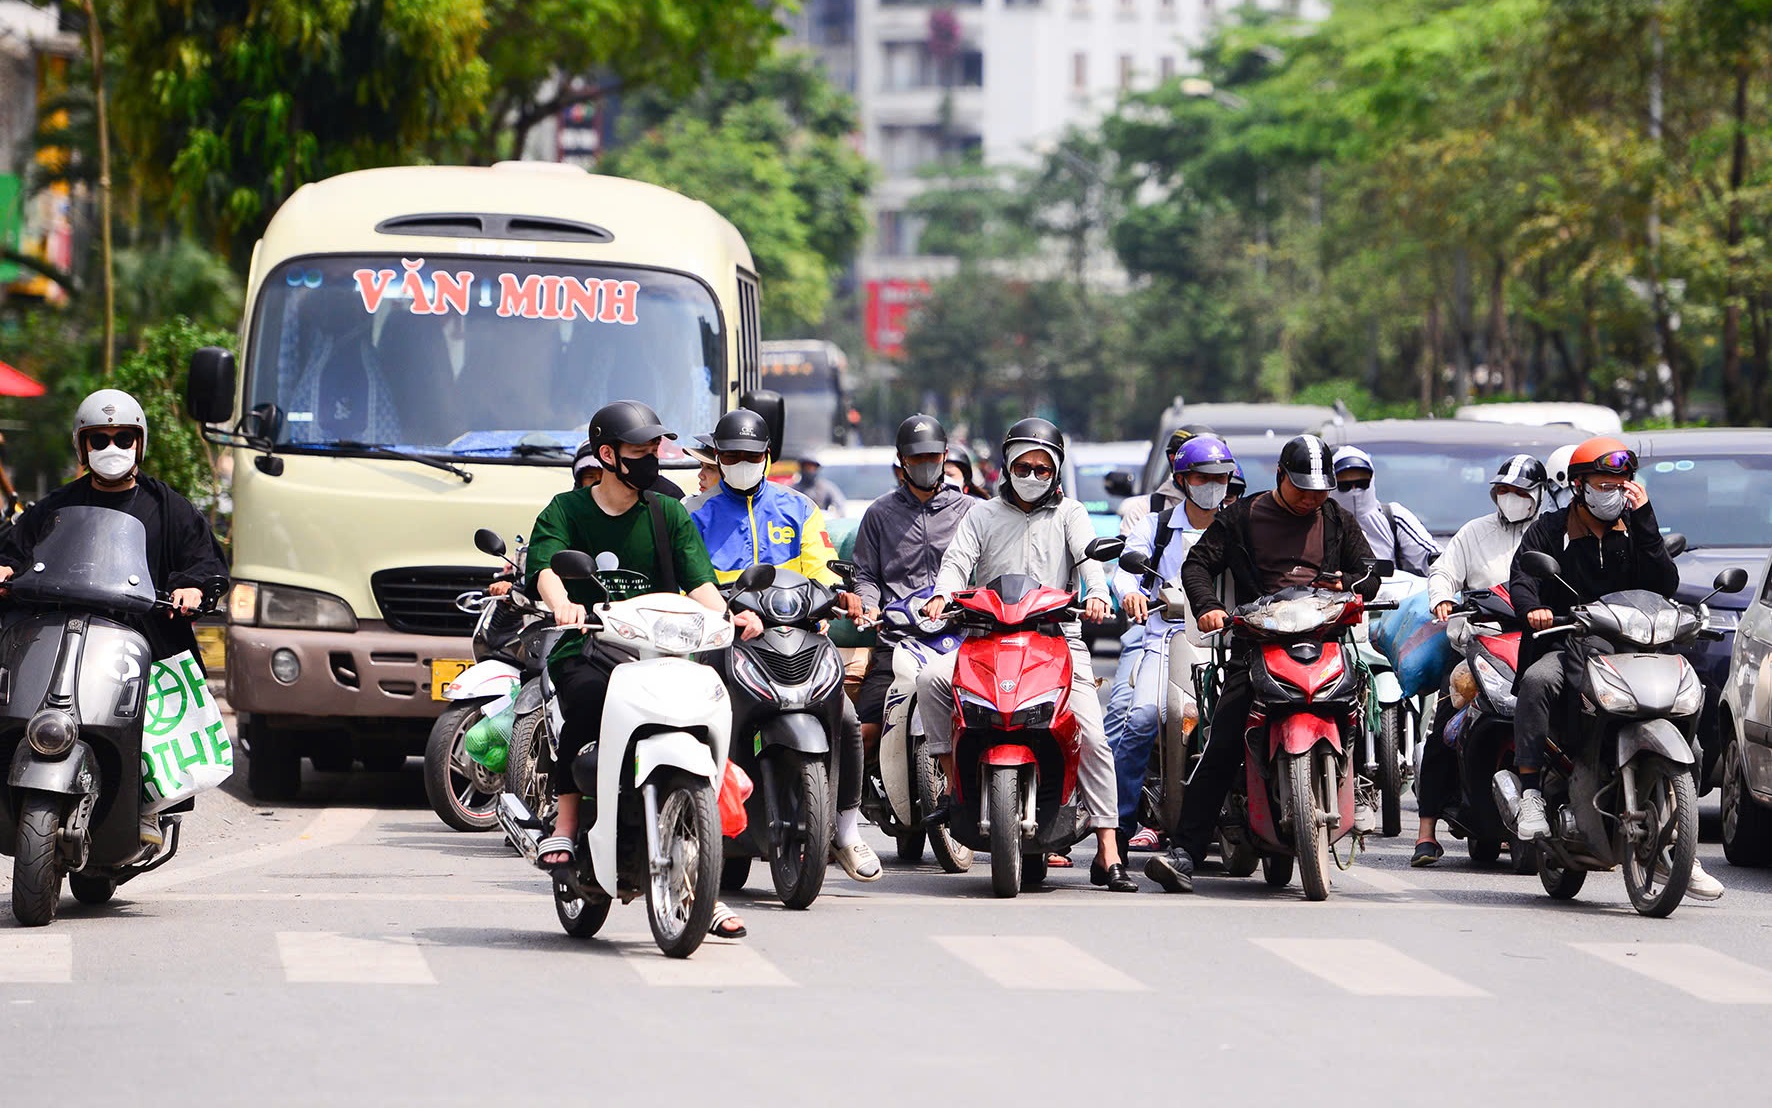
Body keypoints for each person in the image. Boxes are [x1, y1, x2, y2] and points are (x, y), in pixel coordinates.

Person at [526, 402, 764, 924]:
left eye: (655, 448)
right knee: (589, 700)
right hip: (589, 646)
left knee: (710, 707)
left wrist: (730, 616)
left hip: (661, 650)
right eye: (640, 450)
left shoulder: (668, 512)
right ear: (607, 454)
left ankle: (702, 879)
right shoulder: (566, 511)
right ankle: (566, 824)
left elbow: (700, 582)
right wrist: (562, 602)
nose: (652, 458)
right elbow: (545, 567)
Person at [1146, 434, 1380, 893]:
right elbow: (1196, 565)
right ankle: (1185, 853)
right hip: (1258, 648)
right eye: (1303, 489)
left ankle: (1368, 785)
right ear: (1279, 477)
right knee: (1224, 738)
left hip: (1325, 642)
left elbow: (1369, 570)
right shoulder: (1240, 516)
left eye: (1320, 490)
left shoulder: (1337, 518)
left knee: (1362, 709)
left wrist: (1348, 585)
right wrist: (1208, 605)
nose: (1313, 498)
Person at [916, 418, 1139, 893]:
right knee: (931, 680)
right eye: (1024, 465)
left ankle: (1107, 850)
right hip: (984, 637)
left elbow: (1089, 559)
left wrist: (1097, 594)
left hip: (1057, 639)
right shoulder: (981, 514)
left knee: (1093, 735)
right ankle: (954, 785)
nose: (1032, 475)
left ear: (1055, 472)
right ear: (1006, 465)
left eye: (1043, 468)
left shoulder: (1071, 514)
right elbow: (957, 560)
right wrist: (943, 594)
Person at [0, 390, 229, 845]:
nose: (111, 448)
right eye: (98, 439)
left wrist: (193, 587)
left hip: (141, 636)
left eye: (123, 437)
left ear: (139, 443)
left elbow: (206, 562)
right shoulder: (56, 507)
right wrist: (6, 566)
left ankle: (149, 800)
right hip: (63, 630)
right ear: (82, 447)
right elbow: (15, 549)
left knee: (153, 713)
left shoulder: (170, 508)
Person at [1505, 437, 1723, 900]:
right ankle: (1530, 794)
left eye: (1621, 484)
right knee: (1538, 682)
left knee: (1692, 712)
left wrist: (1644, 520)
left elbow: (1664, 584)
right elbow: (1522, 578)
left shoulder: (1634, 527)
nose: (1613, 493)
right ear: (1580, 486)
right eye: (1604, 484)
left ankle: (1682, 847)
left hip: (1631, 649)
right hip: (1567, 643)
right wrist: (1533, 610)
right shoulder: (1549, 530)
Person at [691, 409, 882, 884]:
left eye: (750, 455)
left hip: (795, 637)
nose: (740, 462)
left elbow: (823, 569)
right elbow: (684, 581)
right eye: (730, 455)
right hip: (724, 642)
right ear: (717, 457)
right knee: (698, 722)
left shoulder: (799, 508)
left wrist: (841, 596)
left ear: (767, 457)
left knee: (846, 719)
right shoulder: (693, 514)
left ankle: (845, 829)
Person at [1410, 454, 1548, 866]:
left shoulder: (1551, 532)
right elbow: (1443, 572)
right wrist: (1443, 597)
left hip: (1537, 644)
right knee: (1441, 725)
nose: (1511, 499)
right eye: (1504, 491)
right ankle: (1426, 831)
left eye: (1521, 492)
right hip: (1479, 646)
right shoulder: (1474, 533)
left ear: (1539, 496)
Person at [1111, 435, 1238, 849]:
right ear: (1183, 480)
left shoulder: (1239, 524)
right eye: (1203, 477)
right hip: (1165, 636)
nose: (1213, 484)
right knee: (1144, 719)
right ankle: (1120, 824)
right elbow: (1126, 570)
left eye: (1221, 477)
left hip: (1230, 639)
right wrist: (1129, 591)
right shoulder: (1157, 525)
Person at [851, 415, 978, 758]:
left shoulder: (970, 511)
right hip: (897, 641)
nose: (925, 465)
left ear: (945, 456)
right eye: (916, 459)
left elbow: (989, 572)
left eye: (932, 457)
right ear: (902, 461)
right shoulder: (879, 514)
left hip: (958, 640)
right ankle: (851, 810)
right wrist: (869, 605)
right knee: (862, 734)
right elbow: (865, 574)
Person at [1329, 446, 1439, 578]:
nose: (1354, 490)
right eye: (1345, 485)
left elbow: (1432, 557)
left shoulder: (1393, 517)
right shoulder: (1321, 521)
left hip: (1395, 595)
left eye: (1362, 483)